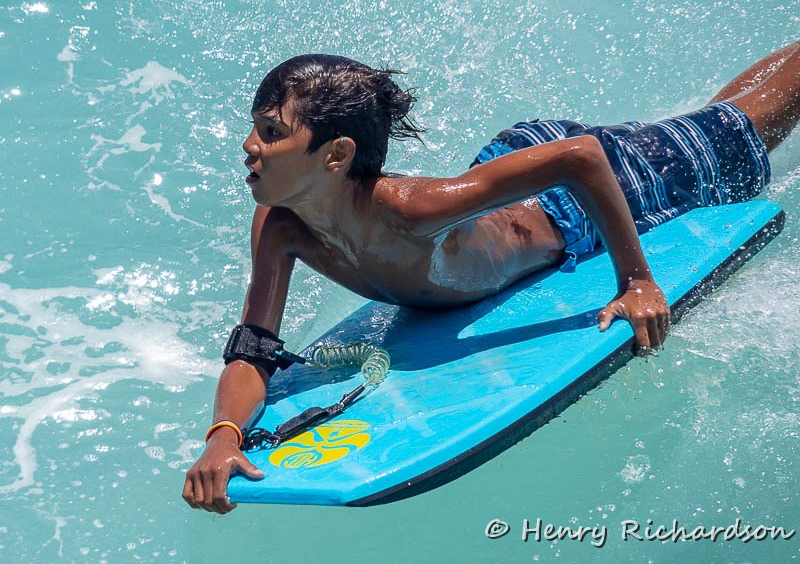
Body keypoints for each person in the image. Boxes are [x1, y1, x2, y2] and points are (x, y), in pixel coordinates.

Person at [183, 41, 800, 513]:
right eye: (255, 126)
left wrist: (636, 281)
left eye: (272, 133)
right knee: (720, 123)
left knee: (746, 125)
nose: (249, 144)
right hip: (509, 180)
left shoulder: (409, 211)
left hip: (571, 201)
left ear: (336, 155)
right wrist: (224, 435)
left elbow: (580, 158)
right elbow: (254, 348)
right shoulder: (281, 226)